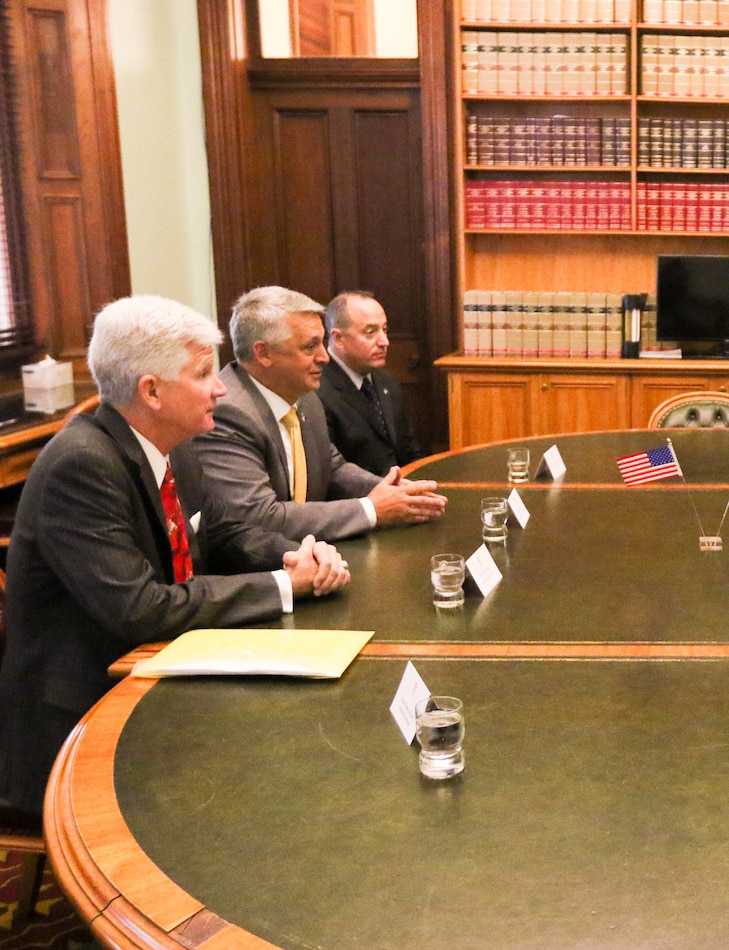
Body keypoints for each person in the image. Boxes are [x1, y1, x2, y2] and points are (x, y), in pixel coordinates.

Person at [0, 296, 351, 818]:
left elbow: (224, 533)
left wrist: (296, 557)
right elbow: (141, 608)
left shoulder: (174, 442)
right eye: (204, 373)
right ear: (152, 392)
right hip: (85, 718)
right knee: (266, 790)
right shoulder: (82, 467)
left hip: (160, 673)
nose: (219, 388)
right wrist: (282, 587)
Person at [194, 286, 447, 541]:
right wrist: (371, 509)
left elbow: (332, 466)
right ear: (264, 353)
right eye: (310, 346)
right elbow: (259, 517)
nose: (325, 357)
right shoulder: (226, 412)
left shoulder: (305, 396)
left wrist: (389, 491)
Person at [317, 291, 424, 475]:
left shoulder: (387, 382)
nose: (385, 341)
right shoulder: (317, 390)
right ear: (338, 338)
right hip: (360, 499)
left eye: (385, 329)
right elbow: (332, 473)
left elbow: (409, 450)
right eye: (370, 332)